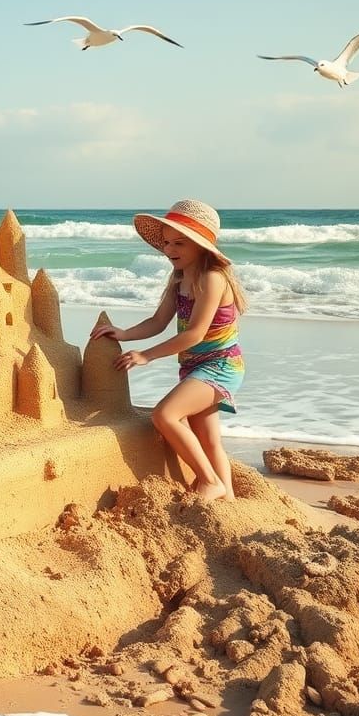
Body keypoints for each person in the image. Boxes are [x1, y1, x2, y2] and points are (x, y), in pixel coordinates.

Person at [90, 199, 246, 502]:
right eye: (166, 242)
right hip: (194, 367)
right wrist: (124, 334)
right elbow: (158, 322)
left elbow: (195, 333)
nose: (169, 249)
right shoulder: (179, 279)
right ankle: (227, 500)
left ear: (200, 245)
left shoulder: (212, 279)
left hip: (221, 365)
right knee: (208, 439)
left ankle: (209, 481)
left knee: (165, 415)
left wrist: (146, 355)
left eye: (179, 243)